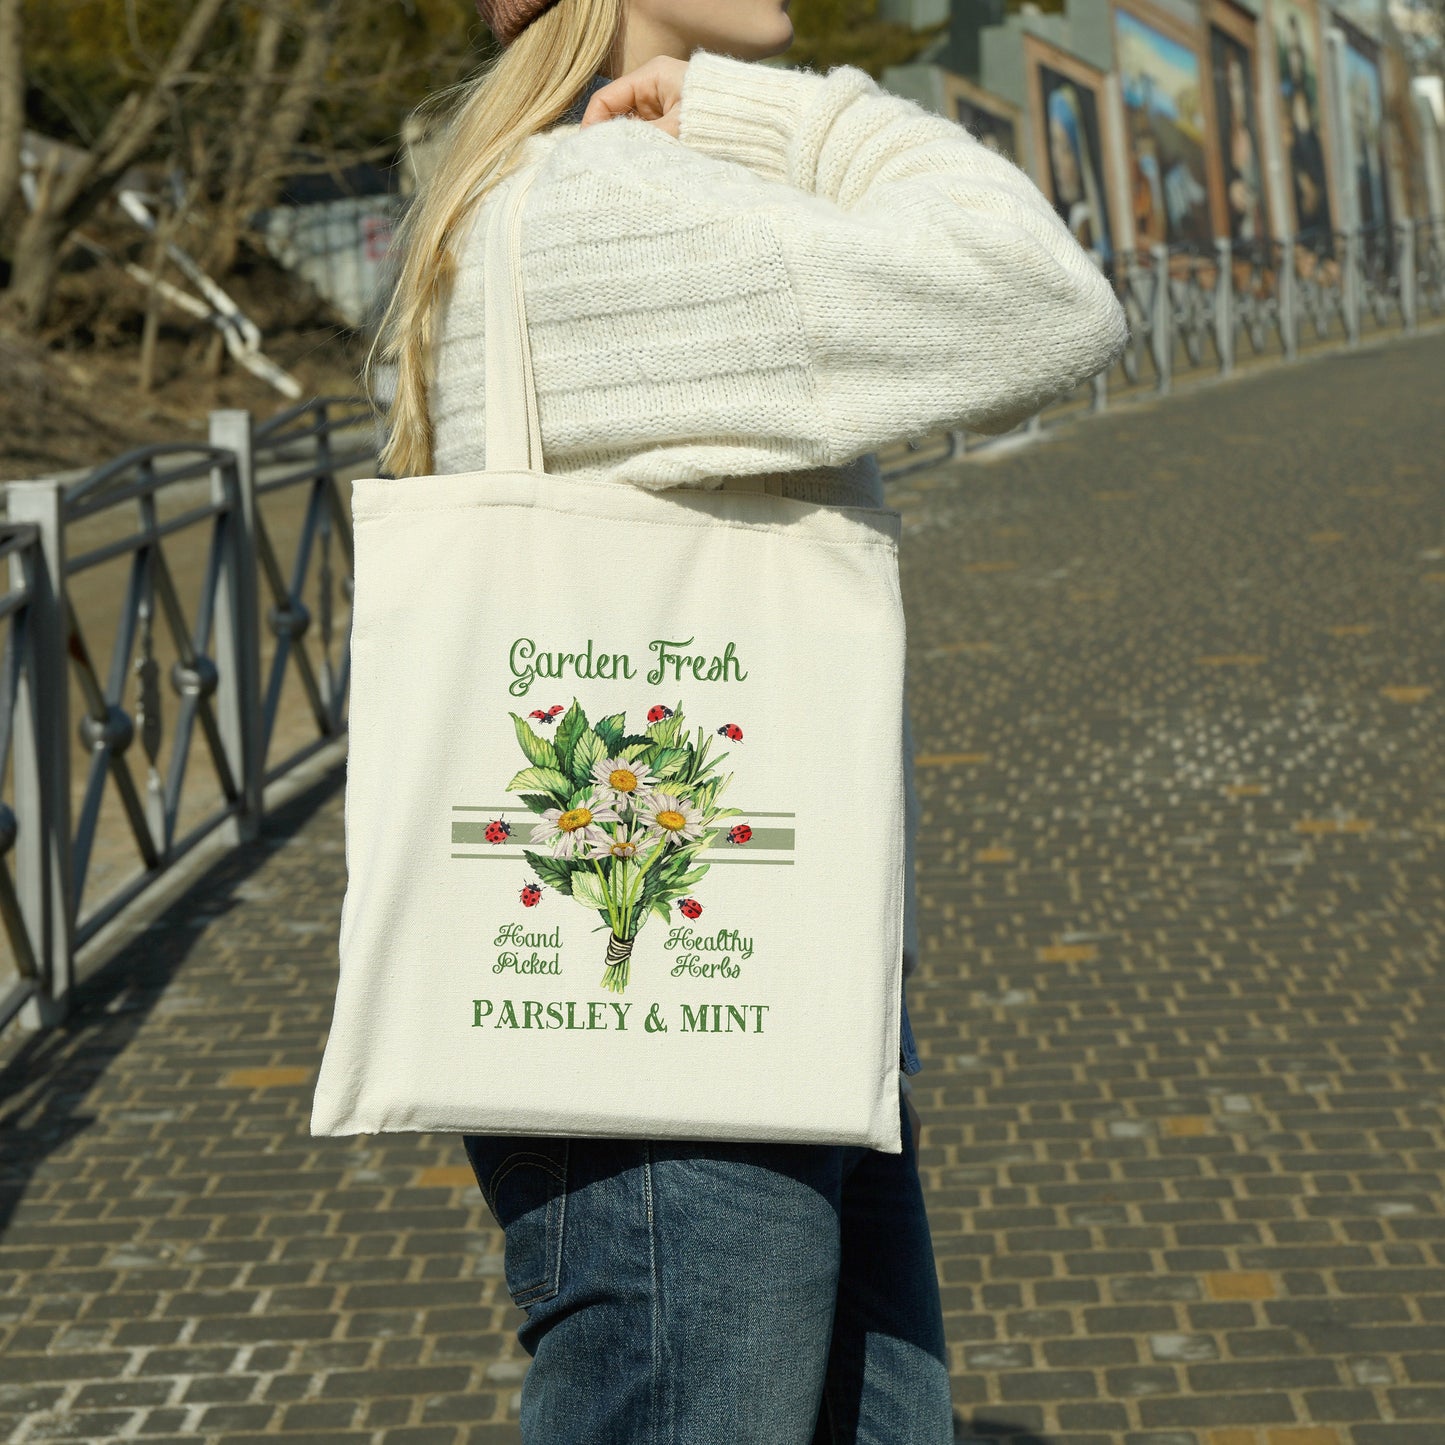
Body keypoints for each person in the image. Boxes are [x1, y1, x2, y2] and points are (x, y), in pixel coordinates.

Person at [364, 1, 1128, 1440]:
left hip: (742, 992)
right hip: (683, 1031)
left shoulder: (564, 194)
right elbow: (1044, 295)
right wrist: (765, 113)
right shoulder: (612, 197)